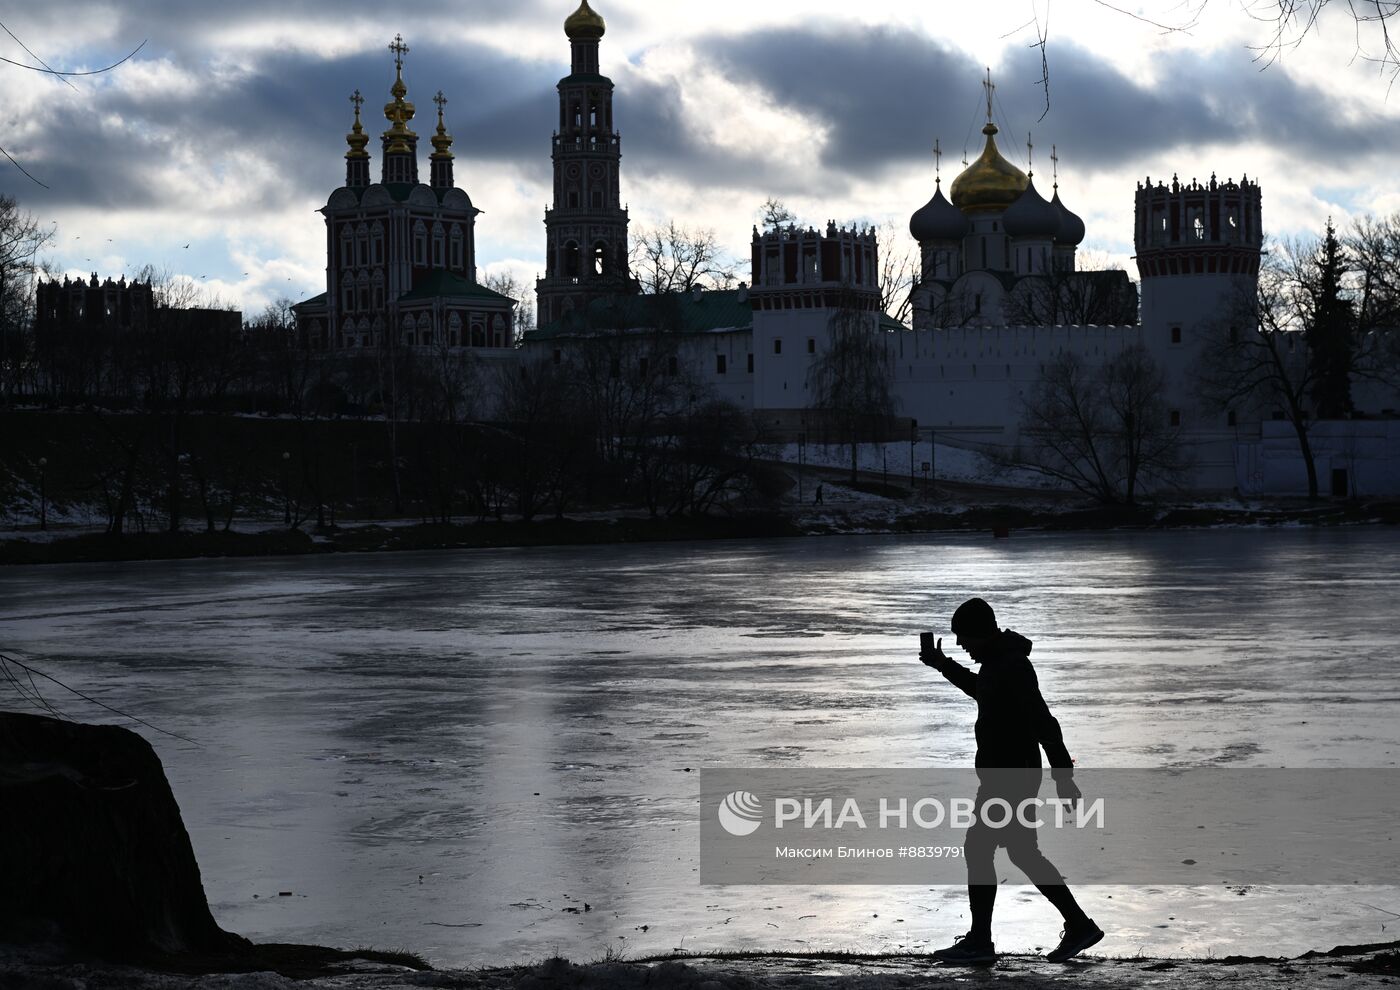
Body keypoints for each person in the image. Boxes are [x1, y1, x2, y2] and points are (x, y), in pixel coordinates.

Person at [919, 596, 1103, 965]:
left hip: (1011, 777)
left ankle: (980, 942)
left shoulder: (1012, 666)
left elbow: (1045, 724)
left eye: (964, 637)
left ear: (983, 633)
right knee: (1020, 853)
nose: (961, 645)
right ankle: (1077, 925)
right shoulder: (997, 664)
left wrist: (1064, 778)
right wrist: (943, 665)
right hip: (1008, 774)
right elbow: (982, 691)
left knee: (980, 849)